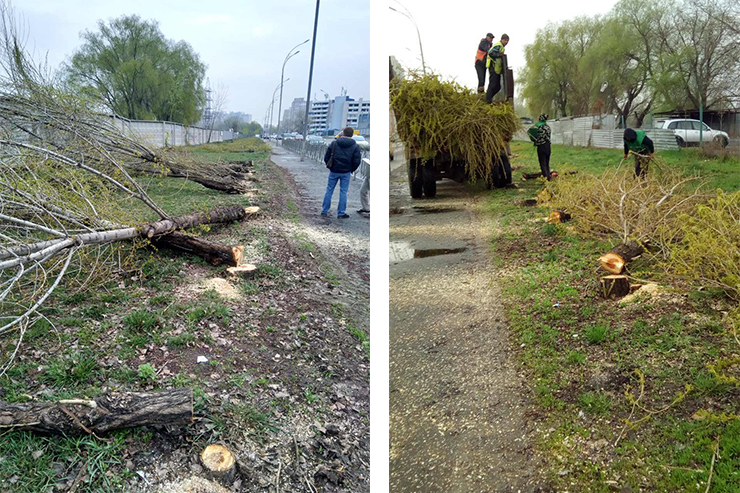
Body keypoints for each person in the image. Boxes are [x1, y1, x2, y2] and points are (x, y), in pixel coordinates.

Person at [322, 127, 361, 218]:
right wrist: (351, 169)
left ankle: (324, 211)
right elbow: (357, 161)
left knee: (329, 190)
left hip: (334, 171)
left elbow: (326, 157)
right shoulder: (355, 146)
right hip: (346, 172)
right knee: (343, 192)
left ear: (343, 133)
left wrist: (331, 167)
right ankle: (341, 213)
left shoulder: (334, 143)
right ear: (352, 135)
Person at [486, 34, 509, 104]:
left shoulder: (501, 46)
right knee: (493, 84)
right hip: (493, 66)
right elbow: (491, 53)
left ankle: (489, 97)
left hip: (497, 69)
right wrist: (499, 55)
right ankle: (488, 100)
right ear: (502, 39)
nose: (506, 42)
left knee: (498, 87)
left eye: (507, 41)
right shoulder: (498, 45)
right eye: (505, 40)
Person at [527, 114, 552, 180]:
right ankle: (548, 177)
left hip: (541, 146)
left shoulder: (538, 126)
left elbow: (530, 132)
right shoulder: (548, 127)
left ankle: (546, 179)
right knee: (547, 163)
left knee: (542, 163)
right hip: (548, 146)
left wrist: (534, 140)